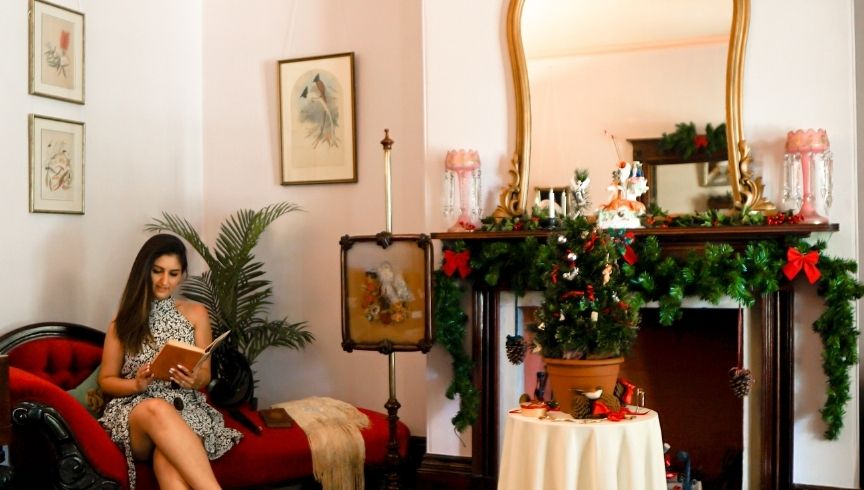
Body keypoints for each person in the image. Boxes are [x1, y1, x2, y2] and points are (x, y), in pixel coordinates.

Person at [98, 234, 241, 489]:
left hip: (185, 408)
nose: (165, 281)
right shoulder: (123, 321)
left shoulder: (197, 314)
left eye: (173, 274)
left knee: (168, 463)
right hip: (137, 412)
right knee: (157, 408)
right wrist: (136, 385)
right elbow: (106, 380)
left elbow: (204, 374)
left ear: (182, 275)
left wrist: (193, 379)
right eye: (157, 271)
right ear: (144, 270)